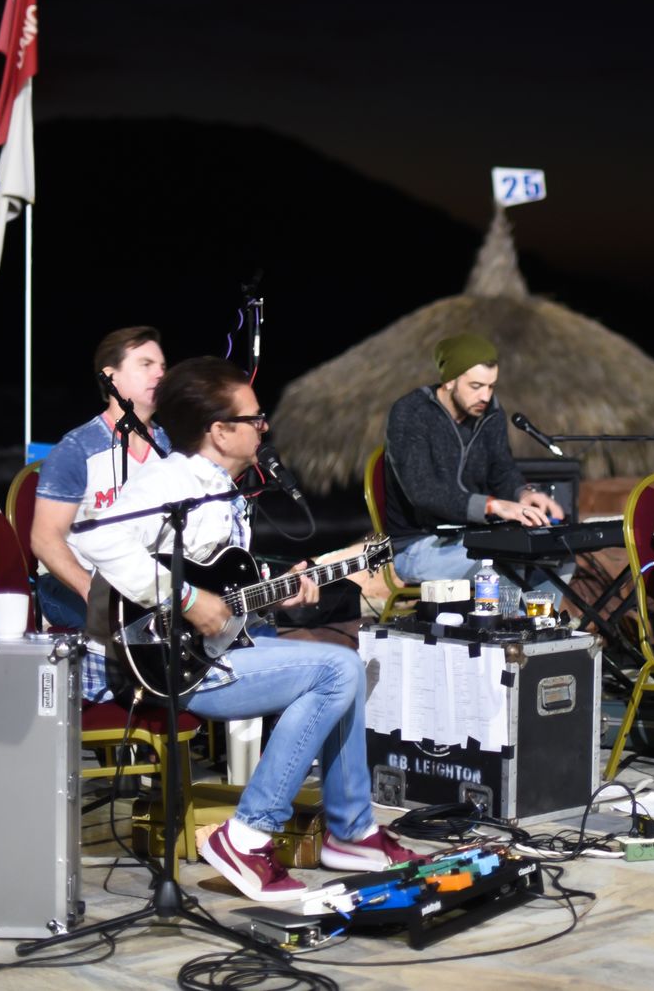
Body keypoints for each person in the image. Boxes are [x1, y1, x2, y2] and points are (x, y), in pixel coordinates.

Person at [75, 357, 414, 902]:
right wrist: (186, 599)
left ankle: (351, 833)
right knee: (335, 670)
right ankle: (249, 835)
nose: (265, 426)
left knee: (345, 658)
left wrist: (277, 591)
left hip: (213, 646)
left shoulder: (225, 490)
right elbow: (95, 538)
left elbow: (223, 591)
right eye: (254, 418)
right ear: (219, 430)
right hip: (171, 663)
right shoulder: (171, 480)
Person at [382, 333, 564, 583]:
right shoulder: (411, 412)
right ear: (449, 381)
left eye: (491, 386)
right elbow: (423, 492)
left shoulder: (491, 412)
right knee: (511, 560)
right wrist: (493, 506)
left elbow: (502, 470)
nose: (485, 397)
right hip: (418, 546)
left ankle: (533, 611)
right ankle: (515, 610)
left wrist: (523, 493)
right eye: (476, 386)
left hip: (473, 537)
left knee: (561, 555)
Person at [32, 326, 171, 630]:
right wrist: (90, 590)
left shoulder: (170, 450)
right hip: (72, 585)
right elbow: (44, 538)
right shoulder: (77, 449)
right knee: (134, 632)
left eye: (162, 366)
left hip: (150, 587)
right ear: (111, 376)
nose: (160, 374)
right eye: (146, 364)